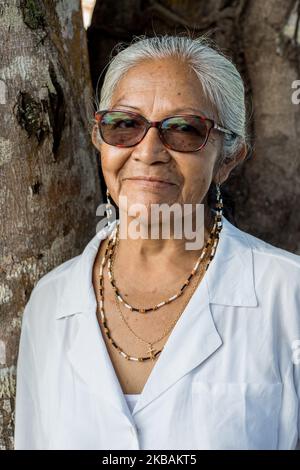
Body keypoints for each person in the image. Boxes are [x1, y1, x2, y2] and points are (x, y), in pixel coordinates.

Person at [14, 34, 300, 450]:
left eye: (184, 130)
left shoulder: (288, 296)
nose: (148, 152)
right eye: (125, 124)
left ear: (227, 158)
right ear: (99, 139)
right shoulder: (51, 303)